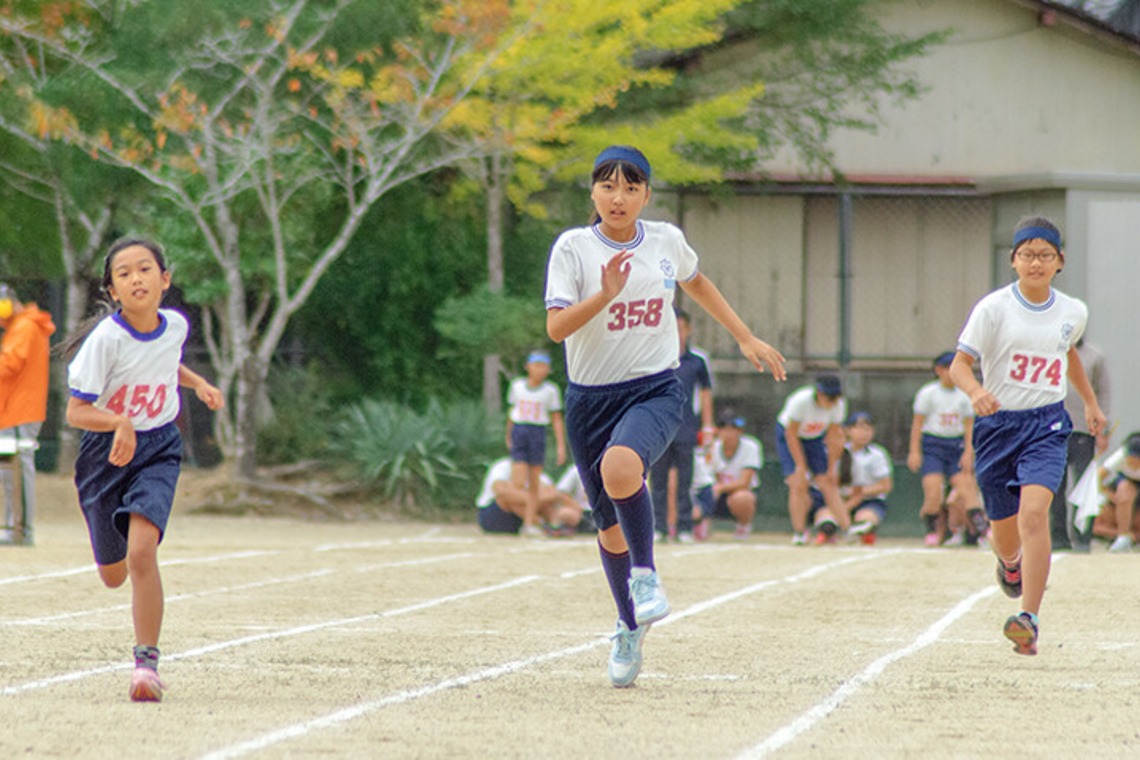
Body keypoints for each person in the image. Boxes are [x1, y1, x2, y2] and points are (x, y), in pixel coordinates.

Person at [544, 145, 785, 688]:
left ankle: (646, 575)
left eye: (631, 188)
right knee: (609, 528)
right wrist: (605, 295)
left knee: (621, 467)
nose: (619, 198)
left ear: (647, 195)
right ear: (593, 191)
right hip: (589, 399)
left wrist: (744, 336)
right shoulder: (574, 249)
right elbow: (557, 329)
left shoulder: (665, 240)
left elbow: (696, 282)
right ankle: (629, 625)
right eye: (608, 186)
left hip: (655, 388)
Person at [60, 239, 224, 702]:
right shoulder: (105, 340)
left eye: (145, 269)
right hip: (105, 455)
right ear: (113, 290)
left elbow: (167, 363)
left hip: (158, 449)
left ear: (164, 279)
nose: (137, 278)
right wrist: (119, 423)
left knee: (142, 553)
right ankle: (109, 543)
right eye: (125, 273)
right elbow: (75, 412)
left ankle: (145, 667)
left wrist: (199, 383)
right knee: (114, 575)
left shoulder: (176, 325)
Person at [949, 216, 1106, 657]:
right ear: (1013, 260)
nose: (1036, 263)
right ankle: (1010, 563)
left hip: (1047, 425)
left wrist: (1090, 403)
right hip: (998, 426)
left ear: (1060, 261)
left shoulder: (1073, 311)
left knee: (1034, 515)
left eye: (1045, 255)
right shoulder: (992, 309)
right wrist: (976, 392)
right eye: (1027, 255)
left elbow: (1067, 352)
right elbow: (960, 365)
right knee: (1005, 535)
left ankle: (1029, 620)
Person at [907, 351, 986, 548]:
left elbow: (969, 427)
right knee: (933, 491)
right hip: (933, 445)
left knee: (967, 489)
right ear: (938, 370)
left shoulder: (964, 395)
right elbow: (917, 424)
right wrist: (914, 451)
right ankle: (933, 531)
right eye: (946, 368)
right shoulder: (928, 393)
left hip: (956, 446)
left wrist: (968, 452)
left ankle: (982, 531)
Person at [648, 308, 713, 543]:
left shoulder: (697, 362)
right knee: (658, 481)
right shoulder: (654, 359)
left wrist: (707, 426)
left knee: (685, 480)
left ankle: (684, 526)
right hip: (659, 428)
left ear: (688, 329)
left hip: (686, 427)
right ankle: (659, 527)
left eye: (680, 328)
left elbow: (705, 393)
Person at [0, 283, 56, 544]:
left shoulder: (25, 327)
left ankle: (21, 530)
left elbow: (8, 365)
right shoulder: (21, 326)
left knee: (18, 471)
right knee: (10, 472)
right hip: (15, 410)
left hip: (20, 410)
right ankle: (15, 528)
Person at [1051, 337, 1112, 551]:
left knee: (1084, 486)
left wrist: (1103, 429)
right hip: (1054, 429)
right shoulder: (1051, 350)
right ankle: (1058, 537)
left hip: (1084, 430)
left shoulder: (1095, 356)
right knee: (1054, 487)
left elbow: (1103, 393)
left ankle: (1082, 537)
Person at [775, 375, 848, 545]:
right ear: (819, 394)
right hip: (790, 437)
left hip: (814, 438)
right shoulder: (800, 401)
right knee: (798, 483)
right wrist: (800, 466)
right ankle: (799, 532)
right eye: (829, 397)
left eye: (836, 397)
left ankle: (847, 529)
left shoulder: (838, 405)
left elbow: (833, 437)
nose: (833, 402)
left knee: (827, 482)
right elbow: (791, 434)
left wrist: (831, 468)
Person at [505, 350, 567, 537]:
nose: (540, 370)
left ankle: (529, 523)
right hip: (520, 430)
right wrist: (508, 435)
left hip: (538, 432)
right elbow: (512, 412)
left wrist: (561, 445)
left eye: (544, 366)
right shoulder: (517, 386)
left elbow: (556, 418)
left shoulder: (550, 390)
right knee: (518, 481)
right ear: (528, 367)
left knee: (534, 481)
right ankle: (531, 514)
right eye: (536, 365)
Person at [812, 412, 891, 545]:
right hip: (836, 500)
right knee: (826, 518)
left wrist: (846, 503)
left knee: (865, 519)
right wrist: (838, 507)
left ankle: (862, 533)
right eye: (859, 428)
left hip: (865, 501)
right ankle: (828, 533)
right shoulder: (826, 456)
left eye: (867, 429)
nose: (863, 433)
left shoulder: (876, 455)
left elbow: (883, 486)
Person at [691, 410, 761, 541]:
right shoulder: (712, 448)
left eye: (734, 429)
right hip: (715, 495)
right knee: (700, 495)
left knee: (743, 498)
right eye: (725, 429)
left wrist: (721, 487)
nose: (729, 433)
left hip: (737, 493)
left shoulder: (750, 446)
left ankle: (743, 526)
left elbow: (745, 482)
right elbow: (706, 476)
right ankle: (703, 524)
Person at [475, 456, 583, 536]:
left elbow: (554, 494)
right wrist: (533, 498)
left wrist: (533, 499)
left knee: (549, 505)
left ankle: (553, 525)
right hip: (495, 516)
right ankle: (543, 526)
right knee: (510, 499)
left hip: (523, 517)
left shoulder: (539, 474)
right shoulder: (503, 466)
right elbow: (501, 492)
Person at [1090, 432, 1140, 552]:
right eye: (1130, 458)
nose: (1132, 462)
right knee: (1124, 490)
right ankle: (1123, 536)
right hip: (1126, 482)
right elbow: (1097, 477)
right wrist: (1111, 496)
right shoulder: (1120, 456)